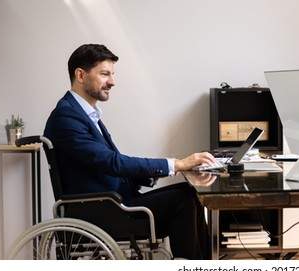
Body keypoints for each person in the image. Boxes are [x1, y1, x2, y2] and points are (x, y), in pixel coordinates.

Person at [44, 43, 214, 259]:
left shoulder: (82, 113)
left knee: (190, 194)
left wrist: (161, 172)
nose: (112, 82)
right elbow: (112, 162)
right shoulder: (66, 117)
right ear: (80, 75)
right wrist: (176, 164)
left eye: (112, 74)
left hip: (113, 203)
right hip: (100, 212)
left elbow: (109, 165)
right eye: (105, 74)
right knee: (182, 201)